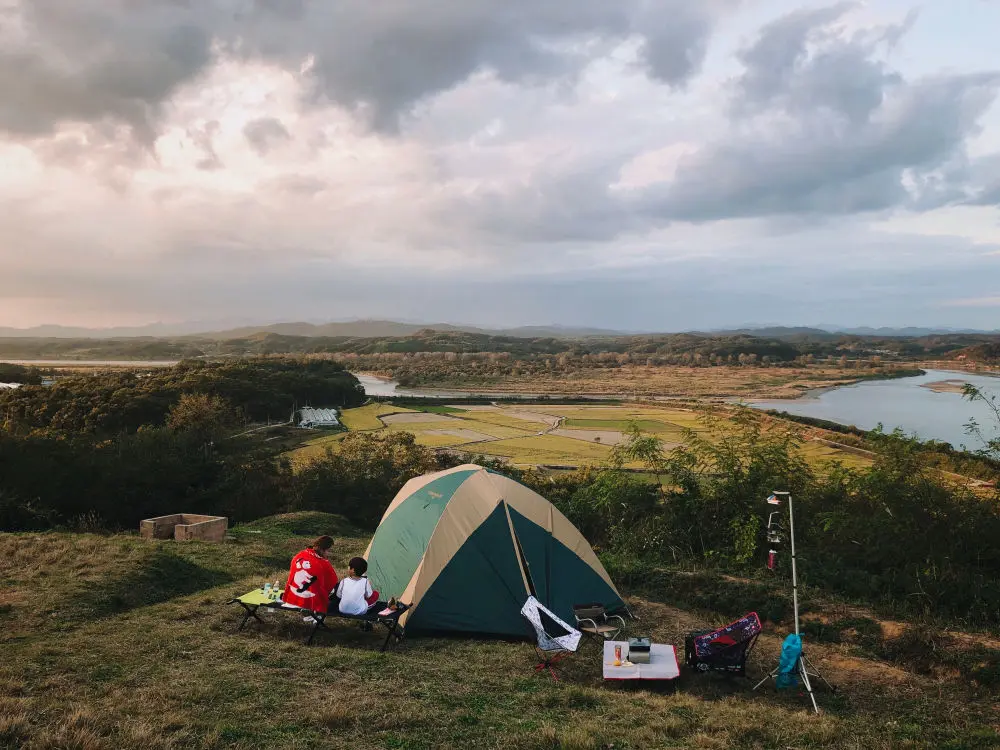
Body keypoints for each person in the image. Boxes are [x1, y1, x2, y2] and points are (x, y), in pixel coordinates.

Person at [282, 535, 339, 614]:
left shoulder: (299, 555)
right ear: (322, 550)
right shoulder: (323, 563)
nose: (329, 553)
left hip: (291, 599)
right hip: (309, 603)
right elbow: (333, 583)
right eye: (328, 550)